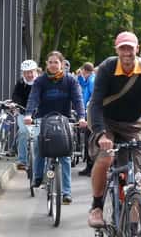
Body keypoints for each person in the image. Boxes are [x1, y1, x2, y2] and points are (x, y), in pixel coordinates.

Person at [87, 31, 141, 228]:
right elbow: (96, 103)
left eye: (130, 48)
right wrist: (100, 134)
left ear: (137, 49)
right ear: (116, 50)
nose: (126, 52)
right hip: (106, 121)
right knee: (106, 157)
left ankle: (133, 227)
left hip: (132, 125)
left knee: (135, 178)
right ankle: (97, 207)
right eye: (122, 48)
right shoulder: (107, 68)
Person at [24, 51, 87, 205]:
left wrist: (81, 117)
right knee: (38, 144)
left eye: (56, 62)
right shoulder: (40, 81)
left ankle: (66, 192)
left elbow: (78, 99)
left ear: (62, 64)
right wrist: (28, 114)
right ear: (47, 64)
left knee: (65, 154)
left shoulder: (70, 80)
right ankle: (38, 176)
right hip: (43, 119)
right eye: (50, 62)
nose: (53, 65)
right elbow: (33, 98)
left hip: (64, 120)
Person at [10, 59, 39, 170]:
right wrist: (15, 104)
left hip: (37, 114)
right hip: (23, 112)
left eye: (31, 72)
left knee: (36, 137)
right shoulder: (21, 83)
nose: (29, 75)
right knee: (22, 132)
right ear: (23, 73)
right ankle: (22, 160)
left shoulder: (40, 83)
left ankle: (38, 161)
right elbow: (15, 96)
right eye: (26, 72)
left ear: (35, 71)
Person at [77, 62, 96, 176]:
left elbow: (94, 96)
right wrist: (80, 77)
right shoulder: (90, 79)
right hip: (88, 112)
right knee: (88, 140)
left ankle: (91, 167)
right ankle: (89, 166)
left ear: (84, 70)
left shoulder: (92, 80)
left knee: (90, 140)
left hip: (91, 113)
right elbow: (83, 84)